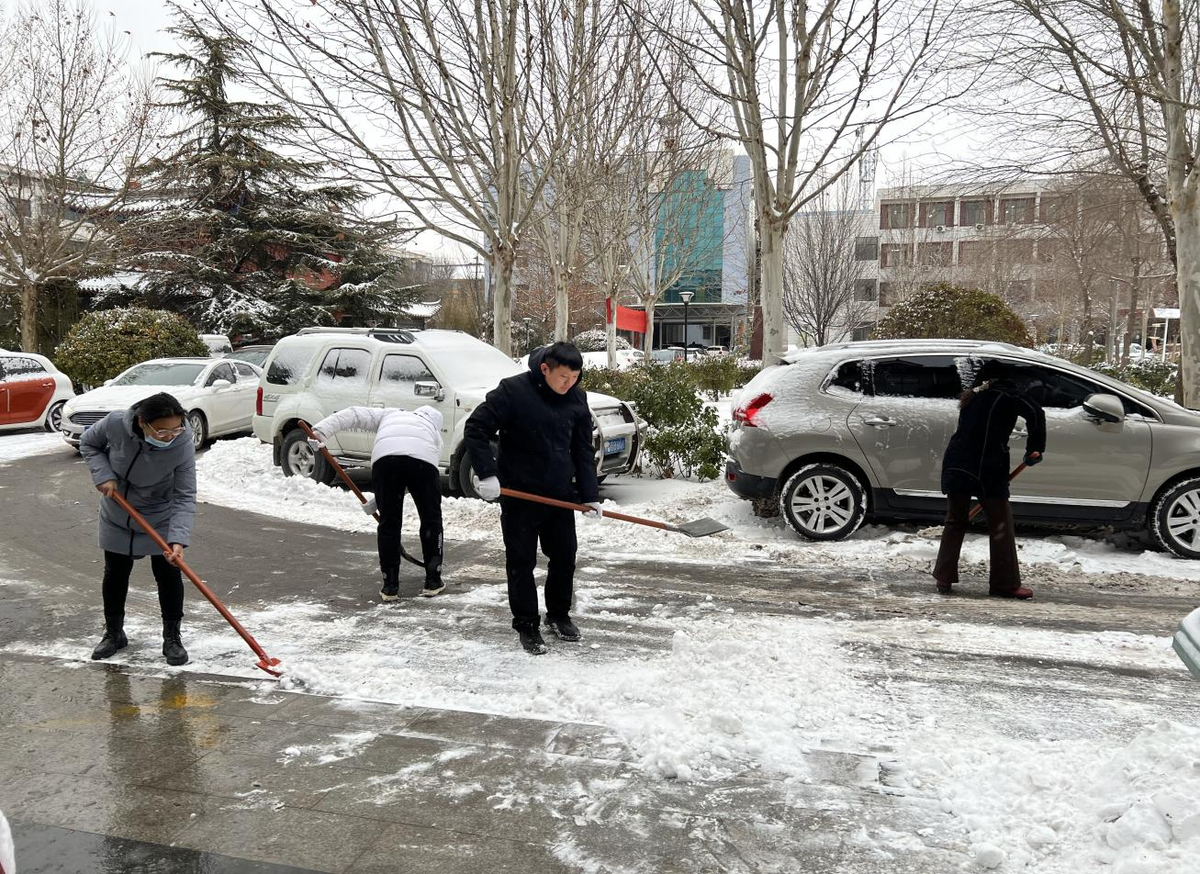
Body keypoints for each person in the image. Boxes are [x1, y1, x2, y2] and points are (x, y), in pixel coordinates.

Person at [464, 342, 602, 655]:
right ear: (545, 369)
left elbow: (582, 449)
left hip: (558, 496)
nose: (569, 385)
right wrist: (487, 474)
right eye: (564, 378)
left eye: (575, 378)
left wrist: (590, 494)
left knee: (565, 557)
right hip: (520, 495)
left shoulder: (577, 398)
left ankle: (559, 615)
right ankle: (526, 623)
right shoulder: (513, 391)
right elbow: (476, 428)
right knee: (522, 561)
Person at [79, 392, 196, 665]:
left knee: (168, 574)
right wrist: (103, 475)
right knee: (116, 572)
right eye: (162, 431)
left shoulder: (182, 445)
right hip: (118, 510)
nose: (170, 436)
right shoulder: (115, 423)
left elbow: (184, 495)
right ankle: (114, 633)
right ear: (142, 422)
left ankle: (172, 638)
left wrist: (178, 539)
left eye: (176, 429)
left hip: (160, 513)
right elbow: (89, 444)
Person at [934, 361, 1047, 599]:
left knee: (956, 520)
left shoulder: (971, 397)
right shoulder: (1008, 395)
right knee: (1000, 524)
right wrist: (1035, 448)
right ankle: (1004, 584)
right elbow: (1036, 413)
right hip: (987, 464)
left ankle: (943, 577)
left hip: (956, 461)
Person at [308, 405, 445, 600]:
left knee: (389, 523)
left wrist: (321, 432)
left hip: (385, 461)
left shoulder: (391, 414)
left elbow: (353, 413)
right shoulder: (434, 435)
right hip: (422, 463)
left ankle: (390, 586)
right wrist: (378, 501)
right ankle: (433, 580)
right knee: (431, 519)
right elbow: (414, 475)